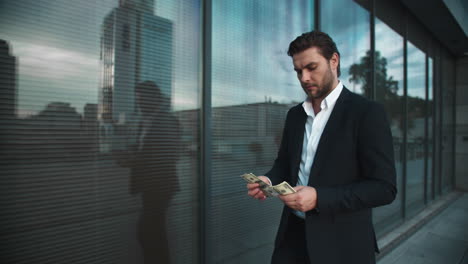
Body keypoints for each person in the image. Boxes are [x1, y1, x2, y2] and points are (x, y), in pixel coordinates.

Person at [247, 31, 397, 264]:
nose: (304, 77)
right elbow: (285, 163)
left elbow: (384, 188)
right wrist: (268, 181)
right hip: (292, 238)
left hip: (342, 245)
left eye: (311, 67)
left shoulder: (367, 113)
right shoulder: (295, 115)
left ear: (334, 61)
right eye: (298, 71)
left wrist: (319, 198)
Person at [114, 81, 181, 263]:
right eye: (138, 100)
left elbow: (168, 155)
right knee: (152, 232)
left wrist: (133, 161)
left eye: (142, 99)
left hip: (160, 185)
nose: (140, 103)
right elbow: (147, 150)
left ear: (155, 98)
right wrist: (131, 157)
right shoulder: (148, 122)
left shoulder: (166, 121)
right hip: (151, 185)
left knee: (149, 232)